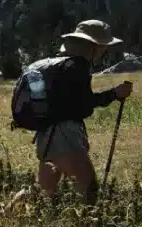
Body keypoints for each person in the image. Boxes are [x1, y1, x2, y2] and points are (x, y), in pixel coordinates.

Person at [27, 20, 133, 205]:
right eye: (102, 47)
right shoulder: (76, 67)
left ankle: (7, 216)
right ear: (91, 46)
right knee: (87, 187)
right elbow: (83, 105)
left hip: (46, 134)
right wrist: (114, 94)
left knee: (42, 191)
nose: (104, 51)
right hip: (65, 135)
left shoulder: (60, 65)